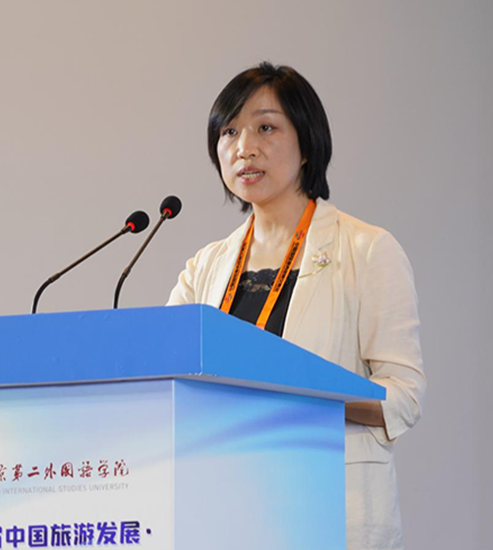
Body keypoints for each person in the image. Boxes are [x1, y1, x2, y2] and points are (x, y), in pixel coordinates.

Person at [167, 62, 427, 550]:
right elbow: (167, 375)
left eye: (266, 128)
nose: (244, 147)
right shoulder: (205, 267)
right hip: (225, 507)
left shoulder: (366, 250)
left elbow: (404, 397)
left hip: (325, 510)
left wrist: (298, 393)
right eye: (229, 132)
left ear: (306, 143)